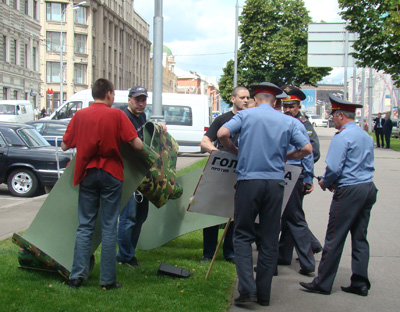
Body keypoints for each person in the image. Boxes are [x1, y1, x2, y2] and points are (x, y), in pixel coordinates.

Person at [217, 82, 312, 307]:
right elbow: (307, 149)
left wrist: (234, 150)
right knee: (269, 238)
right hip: (275, 183)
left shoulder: (246, 115)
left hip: (249, 181)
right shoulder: (288, 120)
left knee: (242, 235)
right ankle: (264, 295)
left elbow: (222, 133)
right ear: (277, 102)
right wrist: (287, 156)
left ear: (255, 99)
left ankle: (247, 289)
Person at [61, 78, 143, 290]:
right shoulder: (117, 115)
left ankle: (77, 276)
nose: (113, 97)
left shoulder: (80, 115)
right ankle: (107, 280)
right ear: (108, 94)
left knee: (85, 225)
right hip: (111, 173)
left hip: (87, 173)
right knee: (108, 226)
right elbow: (137, 145)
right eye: (113, 94)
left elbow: (64, 145)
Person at [300, 94, 377, 296]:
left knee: (334, 238)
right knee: (360, 237)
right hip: (367, 187)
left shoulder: (342, 137)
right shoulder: (364, 136)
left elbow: (334, 167)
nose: (331, 119)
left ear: (341, 115)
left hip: (349, 190)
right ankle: (360, 282)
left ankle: (323, 282)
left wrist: (325, 182)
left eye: (333, 115)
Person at [199, 86, 250, 264]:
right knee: (213, 212)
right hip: (221, 171)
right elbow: (205, 142)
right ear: (233, 98)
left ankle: (230, 252)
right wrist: (219, 154)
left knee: (235, 213)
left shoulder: (252, 119)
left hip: (242, 172)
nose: (245, 100)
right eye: (242, 97)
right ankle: (208, 253)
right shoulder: (222, 119)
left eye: (248, 98)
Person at [117, 86, 167, 267]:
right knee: (128, 216)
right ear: (129, 99)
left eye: (143, 100)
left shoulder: (142, 117)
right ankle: (125, 256)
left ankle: (128, 251)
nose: (141, 103)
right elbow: (135, 146)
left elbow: (147, 136)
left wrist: (159, 129)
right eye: (137, 99)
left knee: (141, 216)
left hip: (141, 174)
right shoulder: (124, 117)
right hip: (128, 174)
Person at [278, 85, 320, 275]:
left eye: (291, 106)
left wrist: (308, 177)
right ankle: (284, 255)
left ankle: (308, 261)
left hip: (295, 175)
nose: (287, 110)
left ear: (299, 106)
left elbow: (311, 153)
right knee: (287, 217)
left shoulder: (301, 124)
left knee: (294, 218)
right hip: (286, 173)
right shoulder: (284, 121)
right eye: (285, 106)